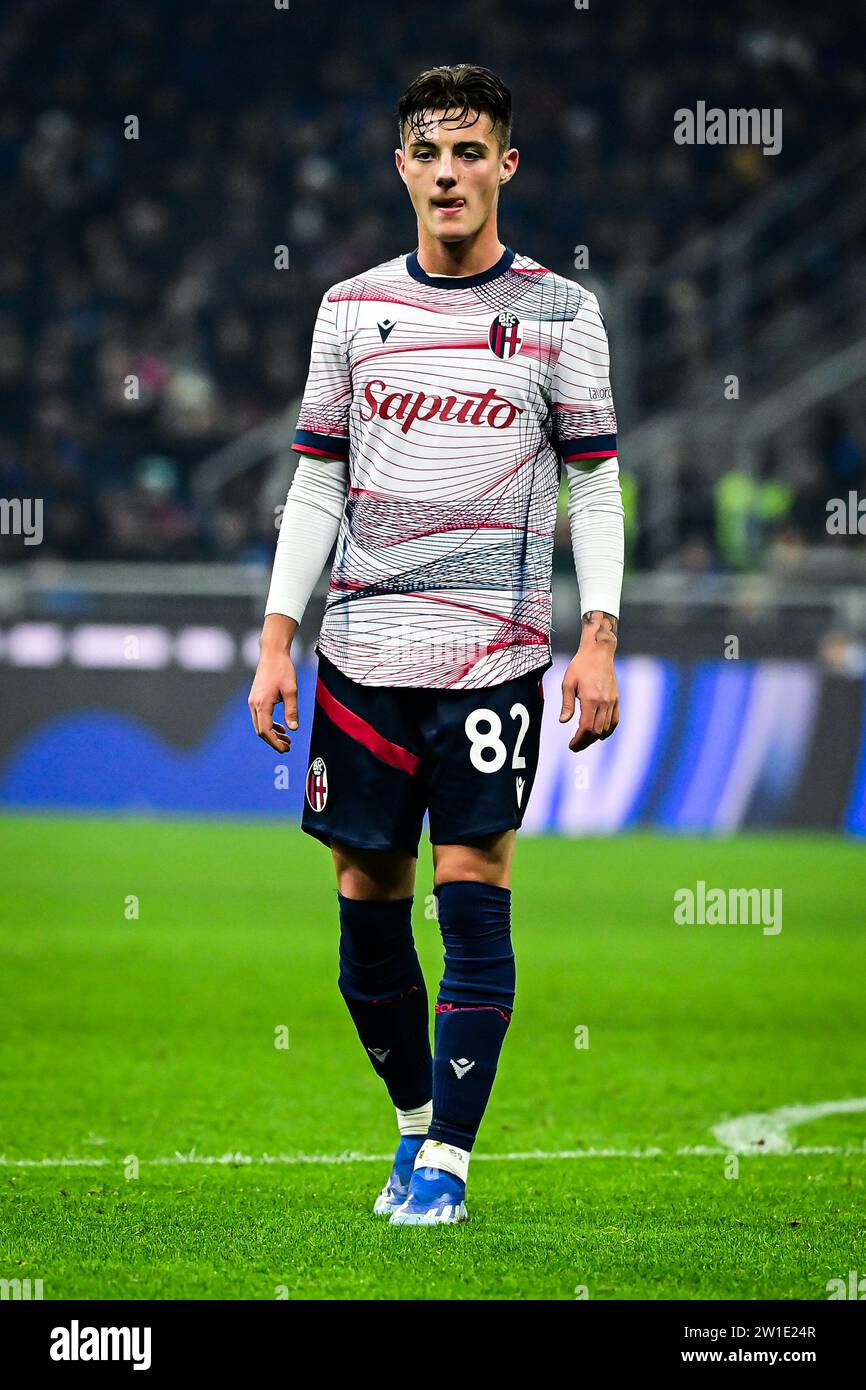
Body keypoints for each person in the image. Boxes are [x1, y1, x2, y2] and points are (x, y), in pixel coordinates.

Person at [248, 64, 624, 1225]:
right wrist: (275, 639)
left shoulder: (561, 311)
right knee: (366, 903)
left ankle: (450, 1162)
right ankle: (413, 1124)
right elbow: (315, 483)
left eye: (471, 152)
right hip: (359, 655)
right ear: (401, 166)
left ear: (505, 164)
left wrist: (599, 632)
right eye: (428, 151)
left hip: (493, 658)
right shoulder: (351, 310)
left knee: (474, 887)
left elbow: (593, 486)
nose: (448, 172)